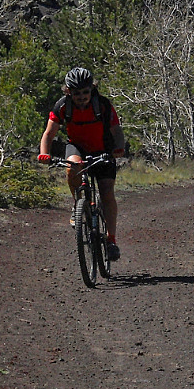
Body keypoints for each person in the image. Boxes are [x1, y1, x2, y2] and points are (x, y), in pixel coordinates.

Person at [38, 67, 126, 260]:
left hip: (103, 150)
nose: (81, 97)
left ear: (91, 89)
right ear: (68, 91)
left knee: (107, 191)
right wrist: (44, 153)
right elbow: (49, 134)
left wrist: (119, 148)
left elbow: (116, 131)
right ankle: (78, 204)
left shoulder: (102, 105)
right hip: (77, 147)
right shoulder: (62, 106)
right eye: (76, 93)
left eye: (85, 92)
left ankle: (111, 240)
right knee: (72, 167)